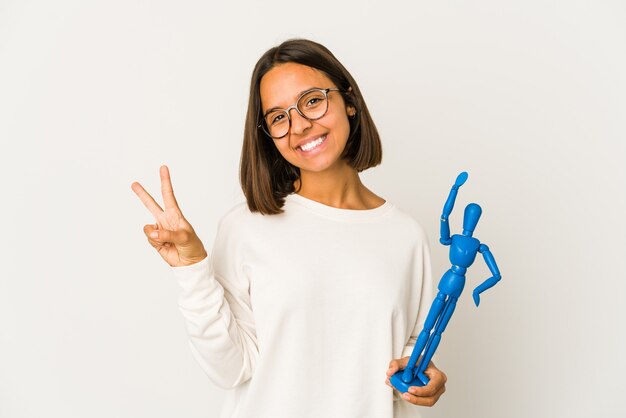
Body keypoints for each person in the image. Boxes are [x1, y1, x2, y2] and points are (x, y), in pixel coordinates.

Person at [131, 38, 447, 418]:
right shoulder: (246, 228)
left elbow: (407, 350)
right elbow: (230, 369)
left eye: (312, 100)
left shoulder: (404, 235)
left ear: (349, 100)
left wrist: (423, 373)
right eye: (279, 117)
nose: (299, 125)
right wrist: (192, 267)